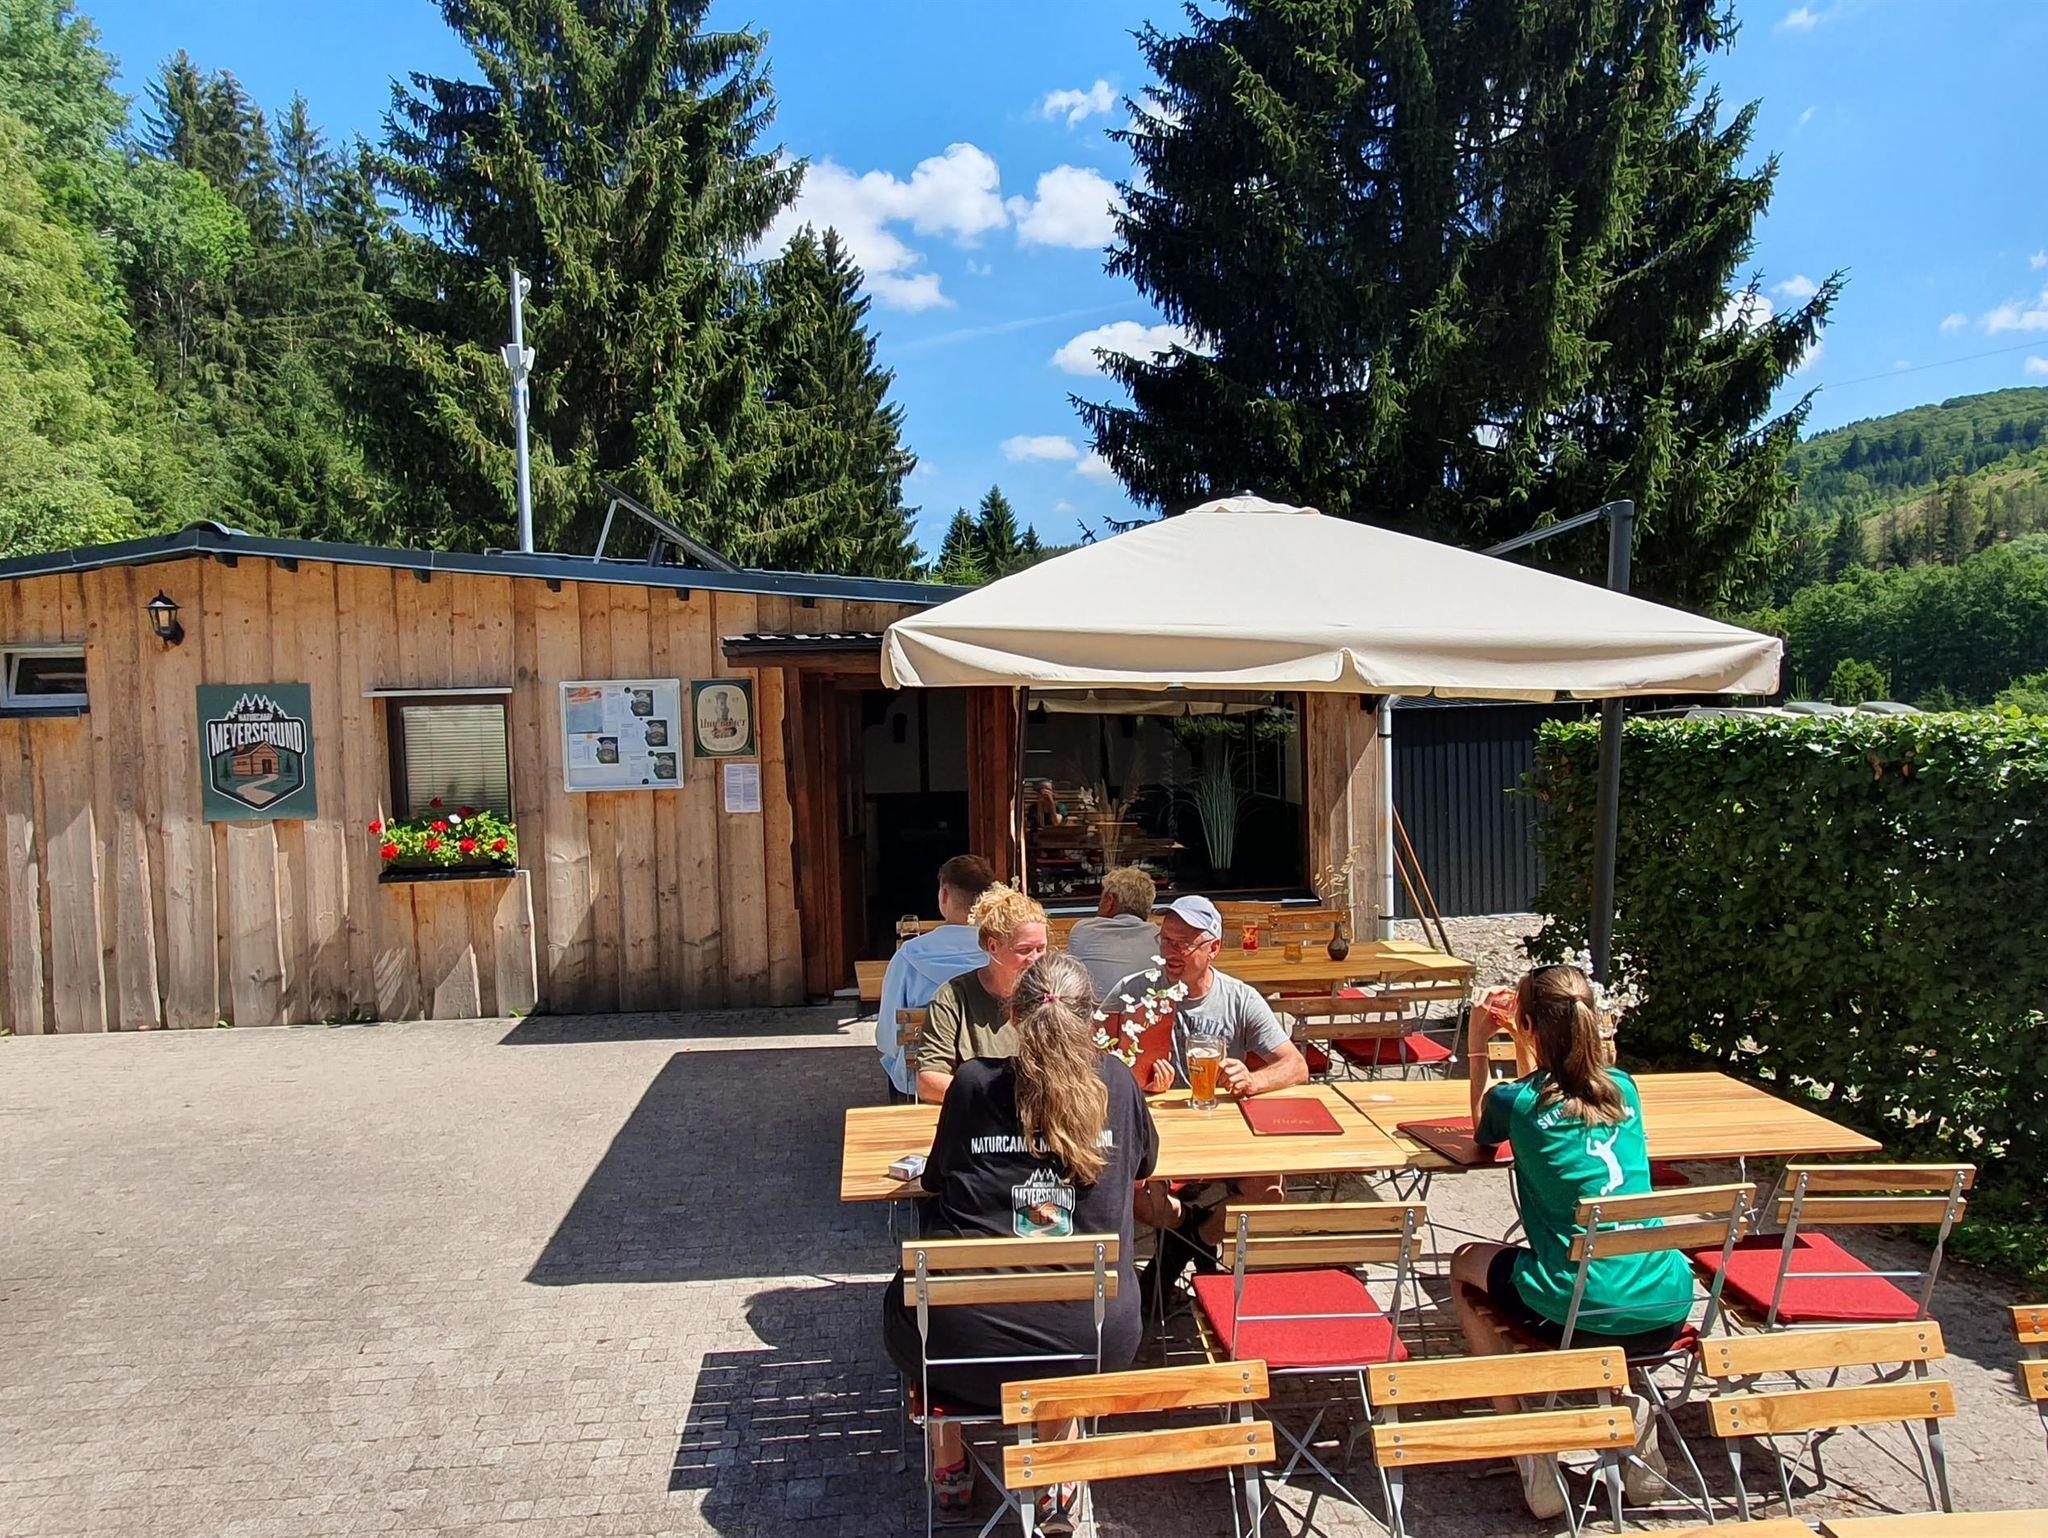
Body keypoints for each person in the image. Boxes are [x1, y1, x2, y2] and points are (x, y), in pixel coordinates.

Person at [882, 954, 1158, 1528]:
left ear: (1012, 1014)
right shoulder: (1117, 1082)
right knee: (1063, 1314)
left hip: (961, 1353)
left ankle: (950, 1464)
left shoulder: (972, 1085)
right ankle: (1056, 1476)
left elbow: (936, 1180)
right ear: (1092, 1017)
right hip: (1098, 1344)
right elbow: (1143, 1168)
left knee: (921, 1292)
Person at [1449, 964, 1695, 1517]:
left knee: (1464, 1262)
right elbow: (1559, 1094)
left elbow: (1484, 1133)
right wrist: (1530, 1041)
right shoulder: (1625, 1088)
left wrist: (1478, 1046)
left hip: (1576, 1311)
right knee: (1608, 1273)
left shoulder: (1517, 1102)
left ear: (1529, 1024)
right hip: (1666, 1306)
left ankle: (1527, 1442)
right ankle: (1625, 1405)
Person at [1110, 895, 1310, 1302]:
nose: (1169, 951)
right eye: (1165, 940)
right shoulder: (1134, 992)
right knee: (1132, 1196)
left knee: (1270, 1190)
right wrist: (1137, 1082)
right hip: (1159, 1134)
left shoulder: (1239, 997)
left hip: (1224, 1136)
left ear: (1213, 947)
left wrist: (1253, 1079)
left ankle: (1191, 1237)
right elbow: (1094, 1059)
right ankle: (1195, 1232)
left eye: (1182, 943)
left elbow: (1296, 1066)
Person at [876, 854, 998, 1097]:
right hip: (993, 1079)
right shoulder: (1002, 954)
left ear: (944, 895)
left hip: (922, 1086)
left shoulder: (909, 956)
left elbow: (887, 1039)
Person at [916, 884, 1049, 1104]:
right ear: (993, 947)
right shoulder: (953, 998)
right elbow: (929, 1082)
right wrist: (999, 1097)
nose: (1035, 959)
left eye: (1041, 948)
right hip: (978, 1115)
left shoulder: (1052, 996)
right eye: (1024, 950)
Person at [1064, 865, 1162, 1002]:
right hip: (1146, 1012)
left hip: (1094, 1013)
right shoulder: (1160, 937)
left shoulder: (1084, 930)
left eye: (1101, 898)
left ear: (1109, 900)